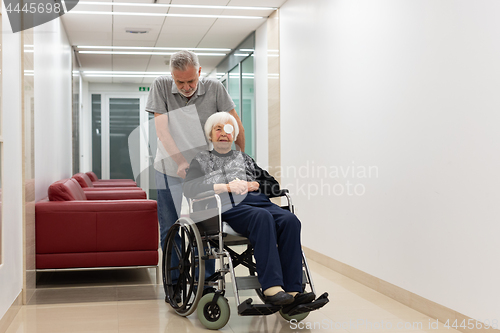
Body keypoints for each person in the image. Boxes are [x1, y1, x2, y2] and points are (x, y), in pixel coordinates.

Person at [183, 112, 315, 311]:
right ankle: (272, 288)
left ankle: (294, 291)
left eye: (228, 130)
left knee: (290, 220)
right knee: (262, 218)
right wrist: (225, 186)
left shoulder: (244, 159)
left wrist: (254, 184)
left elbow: (273, 186)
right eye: (217, 129)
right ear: (210, 136)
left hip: (258, 202)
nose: (223, 133)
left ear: (234, 135)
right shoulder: (201, 159)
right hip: (226, 206)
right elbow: (190, 188)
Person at [145, 50, 245, 249]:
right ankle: (174, 279)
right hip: (168, 168)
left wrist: (240, 159)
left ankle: (206, 280)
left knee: (206, 227)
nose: (186, 87)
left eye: (191, 81)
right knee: (170, 228)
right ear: (172, 75)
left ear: (199, 71)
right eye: (180, 82)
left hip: (203, 170)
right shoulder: (161, 85)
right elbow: (162, 131)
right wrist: (181, 162)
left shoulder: (215, 88)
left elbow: (235, 126)